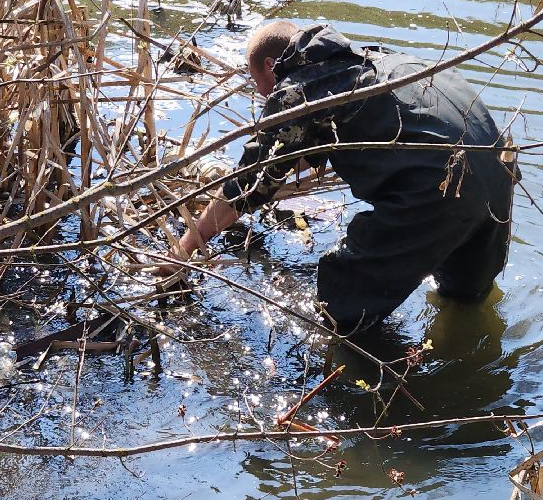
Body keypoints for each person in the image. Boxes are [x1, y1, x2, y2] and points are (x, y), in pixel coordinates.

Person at [168, 20, 517, 335]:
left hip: (437, 191)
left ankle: (366, 374)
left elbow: (248, 185)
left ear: (271, 66)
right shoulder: (381, 60)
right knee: (464, 298)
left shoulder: (298, 90)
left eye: (259, 84)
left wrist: (186, 246)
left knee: (340, 309)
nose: (263, 95)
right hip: (499, 174)